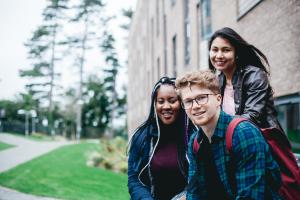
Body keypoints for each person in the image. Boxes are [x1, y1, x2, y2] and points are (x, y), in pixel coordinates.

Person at [175, 70, 282, 199]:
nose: (195, 106)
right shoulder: (196, 141)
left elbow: (249, 197)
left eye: (202, 98)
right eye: (188, 101)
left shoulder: (243, 133)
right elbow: (195, 192)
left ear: (218, 99)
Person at [127, 77, 194, 200]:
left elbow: (203, 179)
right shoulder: (142, 137)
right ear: (155, 104)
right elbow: (134, 179)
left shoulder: (193, 135)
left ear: (181, 103)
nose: (166, 106)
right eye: (161, 101)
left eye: (172, 100)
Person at [208, 27, 282, 131]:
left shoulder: (255, 75)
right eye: (215, 50)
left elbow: (252, 116)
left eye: (226, 50)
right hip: (230, 143)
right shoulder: (217, 81)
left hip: (258, 140)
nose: (219, 55)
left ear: (236, 53)